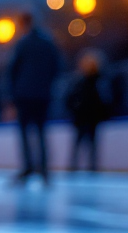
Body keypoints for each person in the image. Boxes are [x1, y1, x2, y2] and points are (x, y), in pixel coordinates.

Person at [6, 12, 61, 185]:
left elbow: (12, 71)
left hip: (24, 96)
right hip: (43, 95)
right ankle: (44, 171)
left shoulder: (22, 43)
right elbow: (57, 67)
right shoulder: (48, 42)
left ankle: (28, 168)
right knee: (41, 132)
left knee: (25, 134)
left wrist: (10, 97)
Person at [66, 52, 109, 173]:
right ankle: (74, 167)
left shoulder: (99, 81)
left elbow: (104, 100)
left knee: (92, 144)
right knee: (78, 143)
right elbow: (70, 98)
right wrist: (74, 110)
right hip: (80, 118)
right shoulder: (78, 82)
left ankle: (92, 167)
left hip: (93, 118)